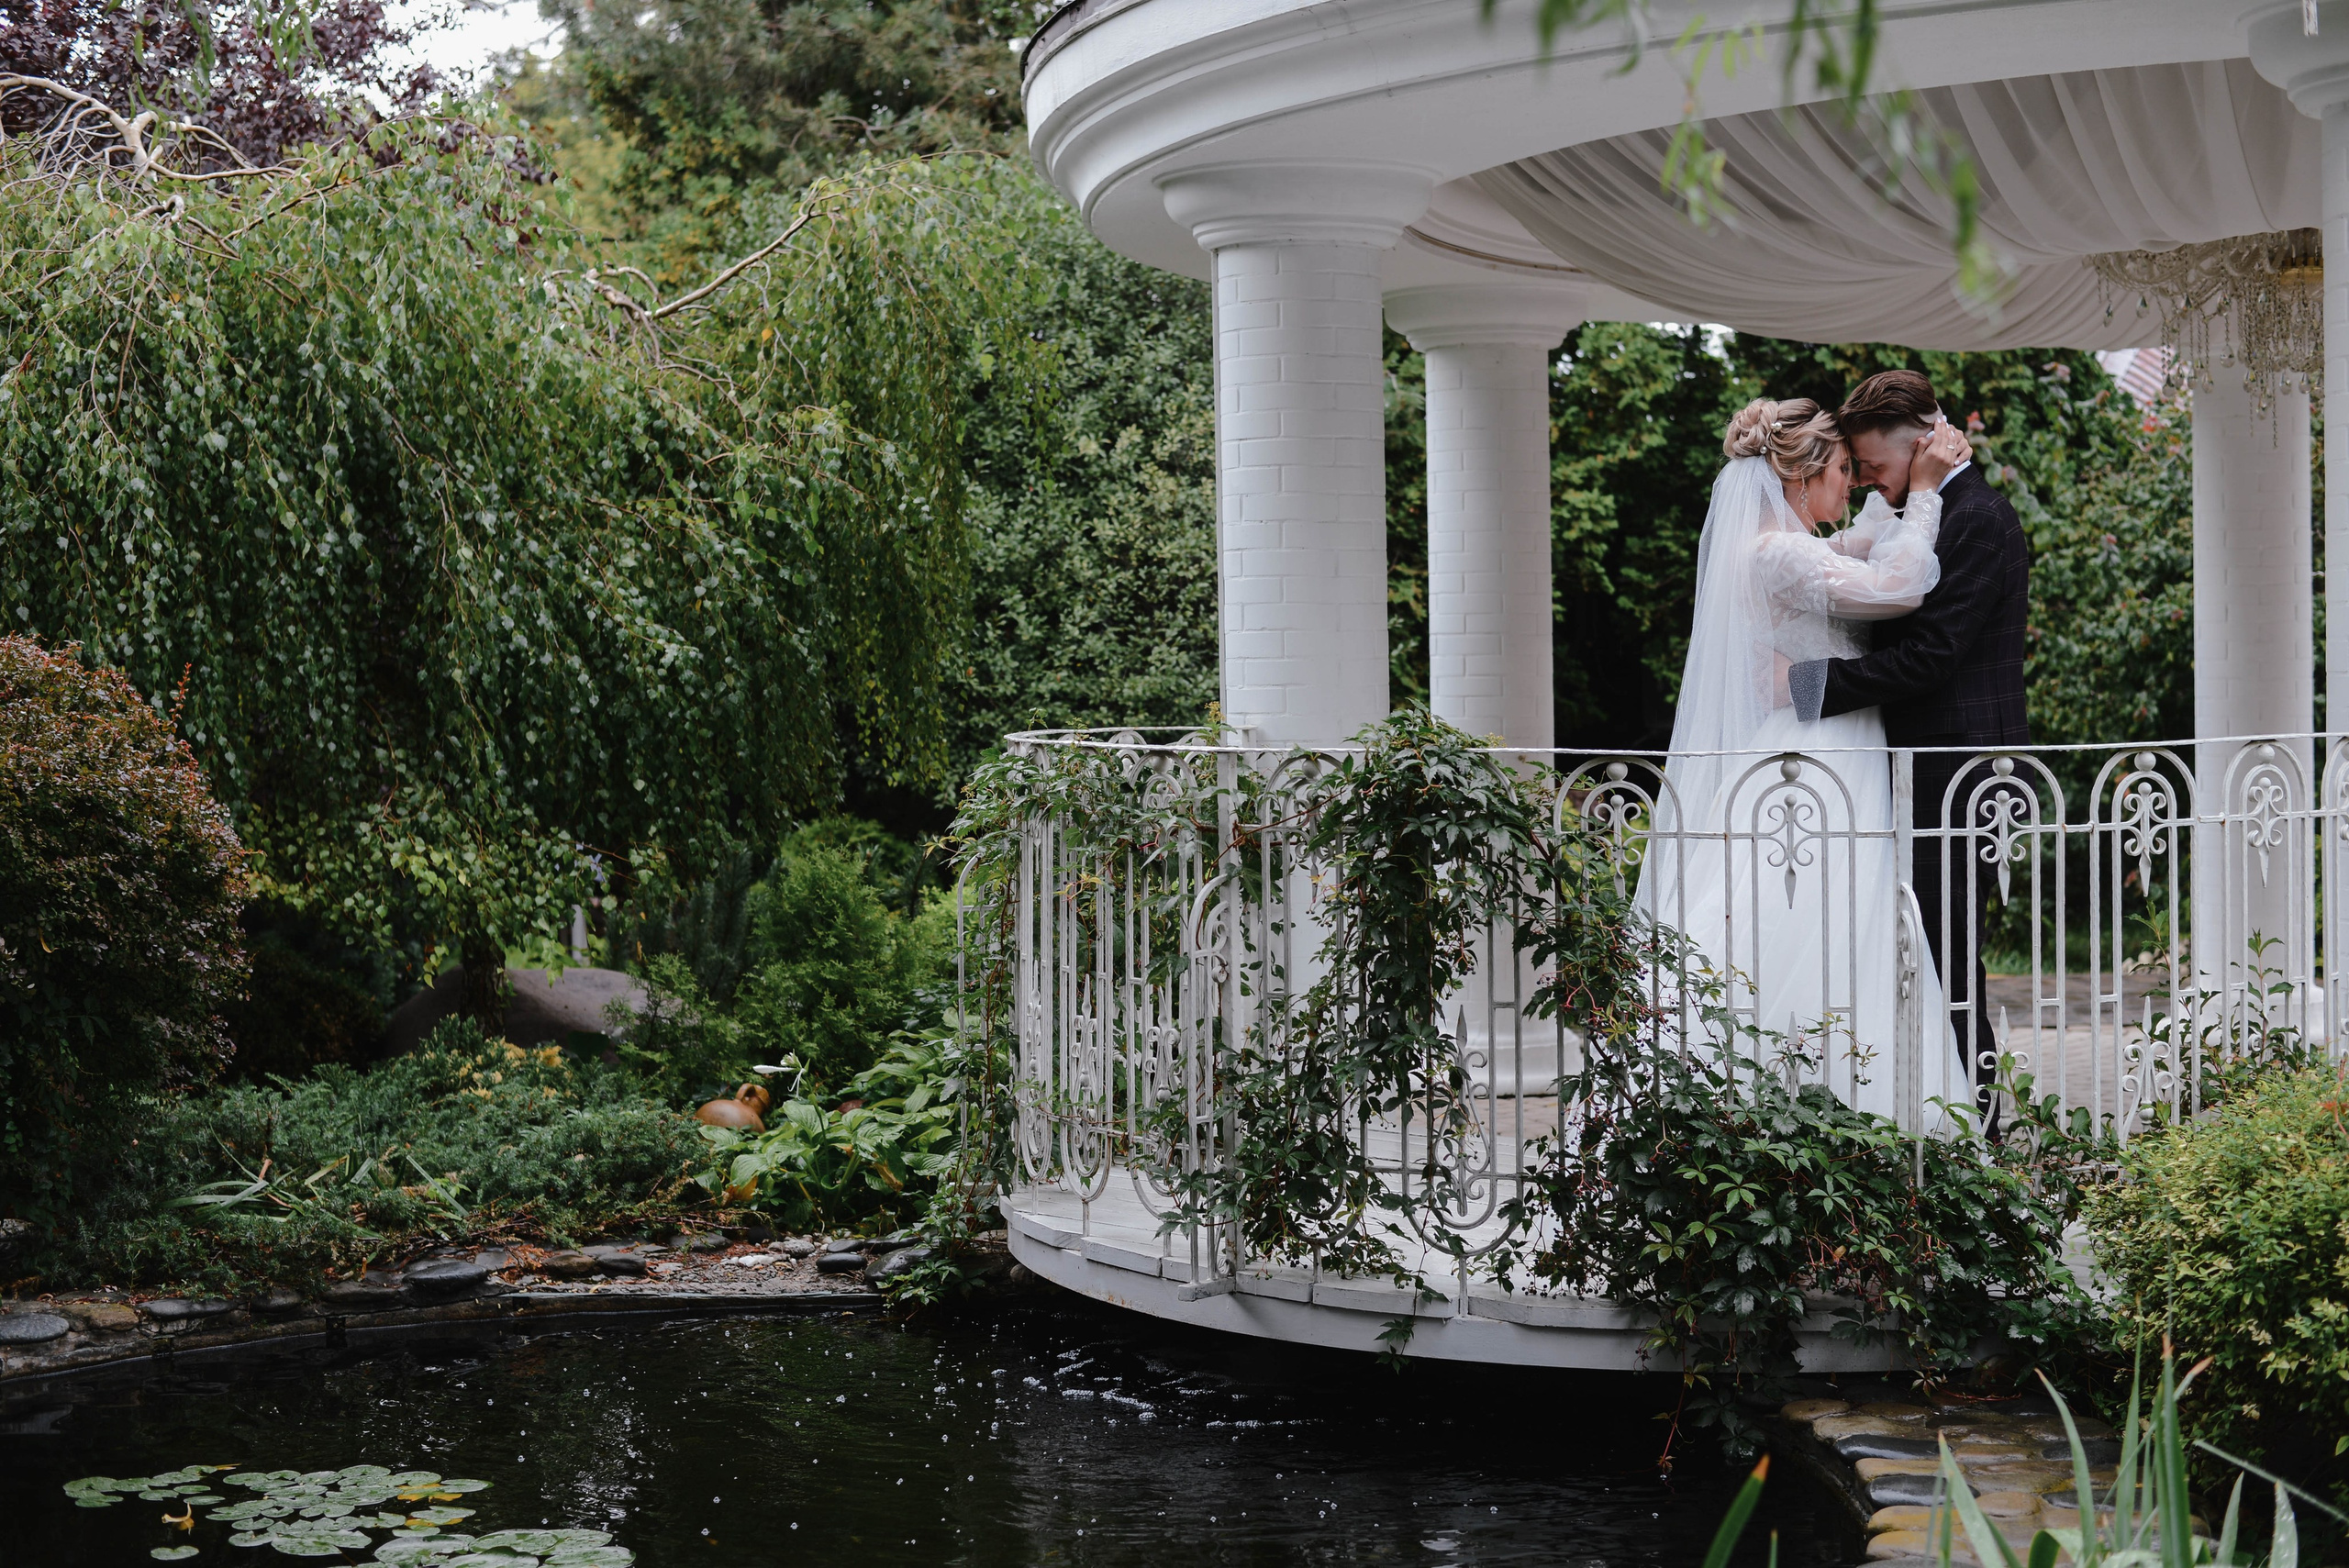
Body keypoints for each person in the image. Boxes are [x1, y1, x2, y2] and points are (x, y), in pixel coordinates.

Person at [1641, 395, 1973, 1118]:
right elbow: (1901, 585)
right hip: (1814, 759)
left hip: (1826, 750)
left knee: (1835, 925)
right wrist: (1920, 495)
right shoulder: (1776, 551)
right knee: (1813, 921)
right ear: (1803, 474)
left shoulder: (1781, 544)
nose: (1851, 482)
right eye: (1844, 469)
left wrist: (1910, 486)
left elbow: (1856, 545)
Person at [1787, 369, 2032, 1116]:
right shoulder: (1925, 513)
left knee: (1947, 967)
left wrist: (1804, 687)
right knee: (1911, 964)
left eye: (1875, 467)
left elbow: (1932, 656)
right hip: (1914, 776)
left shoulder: (1980, 518)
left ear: (1924, 444)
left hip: (1961, 780)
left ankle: (1976, 1142)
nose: (1868, 482)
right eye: (1856, 470)